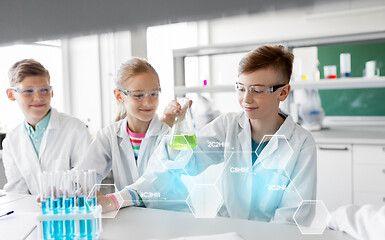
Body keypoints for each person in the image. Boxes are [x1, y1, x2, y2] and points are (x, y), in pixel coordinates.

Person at [100, 45, 317, 224]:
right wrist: (179, 127)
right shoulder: (228, 126)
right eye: (241, 88)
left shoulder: (301, 144)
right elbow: (181, 164)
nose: (246, 99)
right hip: (229, 230)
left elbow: (292, 218)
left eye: (257, 90)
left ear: (283, 92)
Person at [76, 58, 170, 190]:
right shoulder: (109, 135)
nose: (148, 102)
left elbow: (156, 184)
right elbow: (84, 176)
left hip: (164, 211)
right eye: (138, 95)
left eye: (154, 94)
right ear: (119, 96)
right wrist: (60, 190)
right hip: (127, 210)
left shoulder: (168, 135)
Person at [2, 59, 91, 194]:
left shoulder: (75, 129)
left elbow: (86, 181)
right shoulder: (11, 141)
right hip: (30, 213)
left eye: (44, 90)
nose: (38, 97)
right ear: (11, 94)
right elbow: (17, 191)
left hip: (71, 211)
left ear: (52, 92)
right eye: (28, 91)